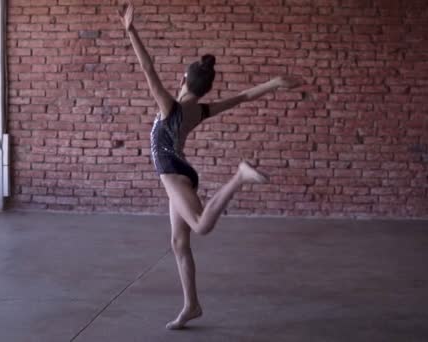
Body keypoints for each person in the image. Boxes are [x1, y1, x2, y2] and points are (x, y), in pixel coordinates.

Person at [118, 2, 303, 330]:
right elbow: (243, 97)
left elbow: (148, 69)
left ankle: (240, 176)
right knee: (179, 243)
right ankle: (191, 305)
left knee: (201, 226)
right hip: (181, 172)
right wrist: (274, 83)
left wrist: (131, 32)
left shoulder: (169, 107)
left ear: (183, 79)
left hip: (174, 174)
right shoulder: (199, 111)